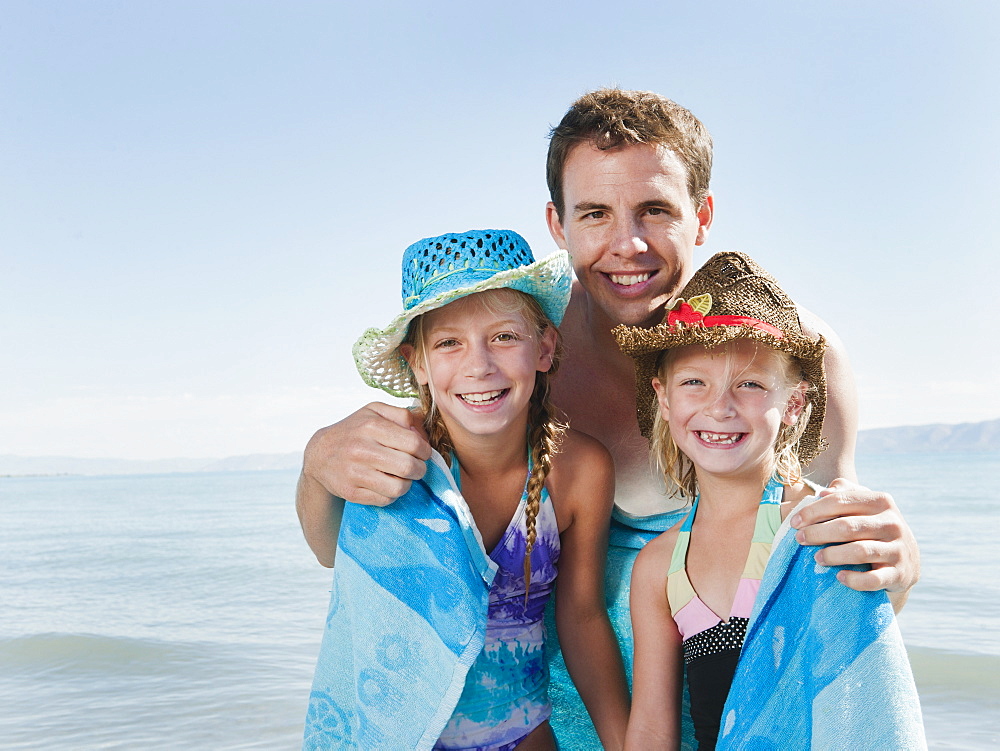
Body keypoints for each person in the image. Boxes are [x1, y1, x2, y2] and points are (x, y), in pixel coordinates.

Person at [296, 89, 920, 745]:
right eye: (595, 213)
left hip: (733, 710)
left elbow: (834, 570)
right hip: (569, 717)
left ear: (702, 215)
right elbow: (359, 546)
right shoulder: (522, 361)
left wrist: (896, 566)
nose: (627, 244)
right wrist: (317, 464)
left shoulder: (790, 358)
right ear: (558, 224)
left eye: (655, 210)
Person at [303, 229, 630, 750]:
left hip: (522, 732)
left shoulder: (580, 470)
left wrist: (623, 743)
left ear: (544, 346)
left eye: (504, 336)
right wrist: (314, 464)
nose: (479, 365)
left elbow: (582, 616)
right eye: (449, 342)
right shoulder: (398, 456)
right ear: (419, 365)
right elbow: (328, 549)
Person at [617, 251, 924, 750]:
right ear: (665, 397)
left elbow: (870, 652)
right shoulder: (659, 566)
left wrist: (903, 576)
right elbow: (652, 727)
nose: (720, 406)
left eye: (751, 384)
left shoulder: (817, 527)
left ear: (795, 403)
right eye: (694, 382)